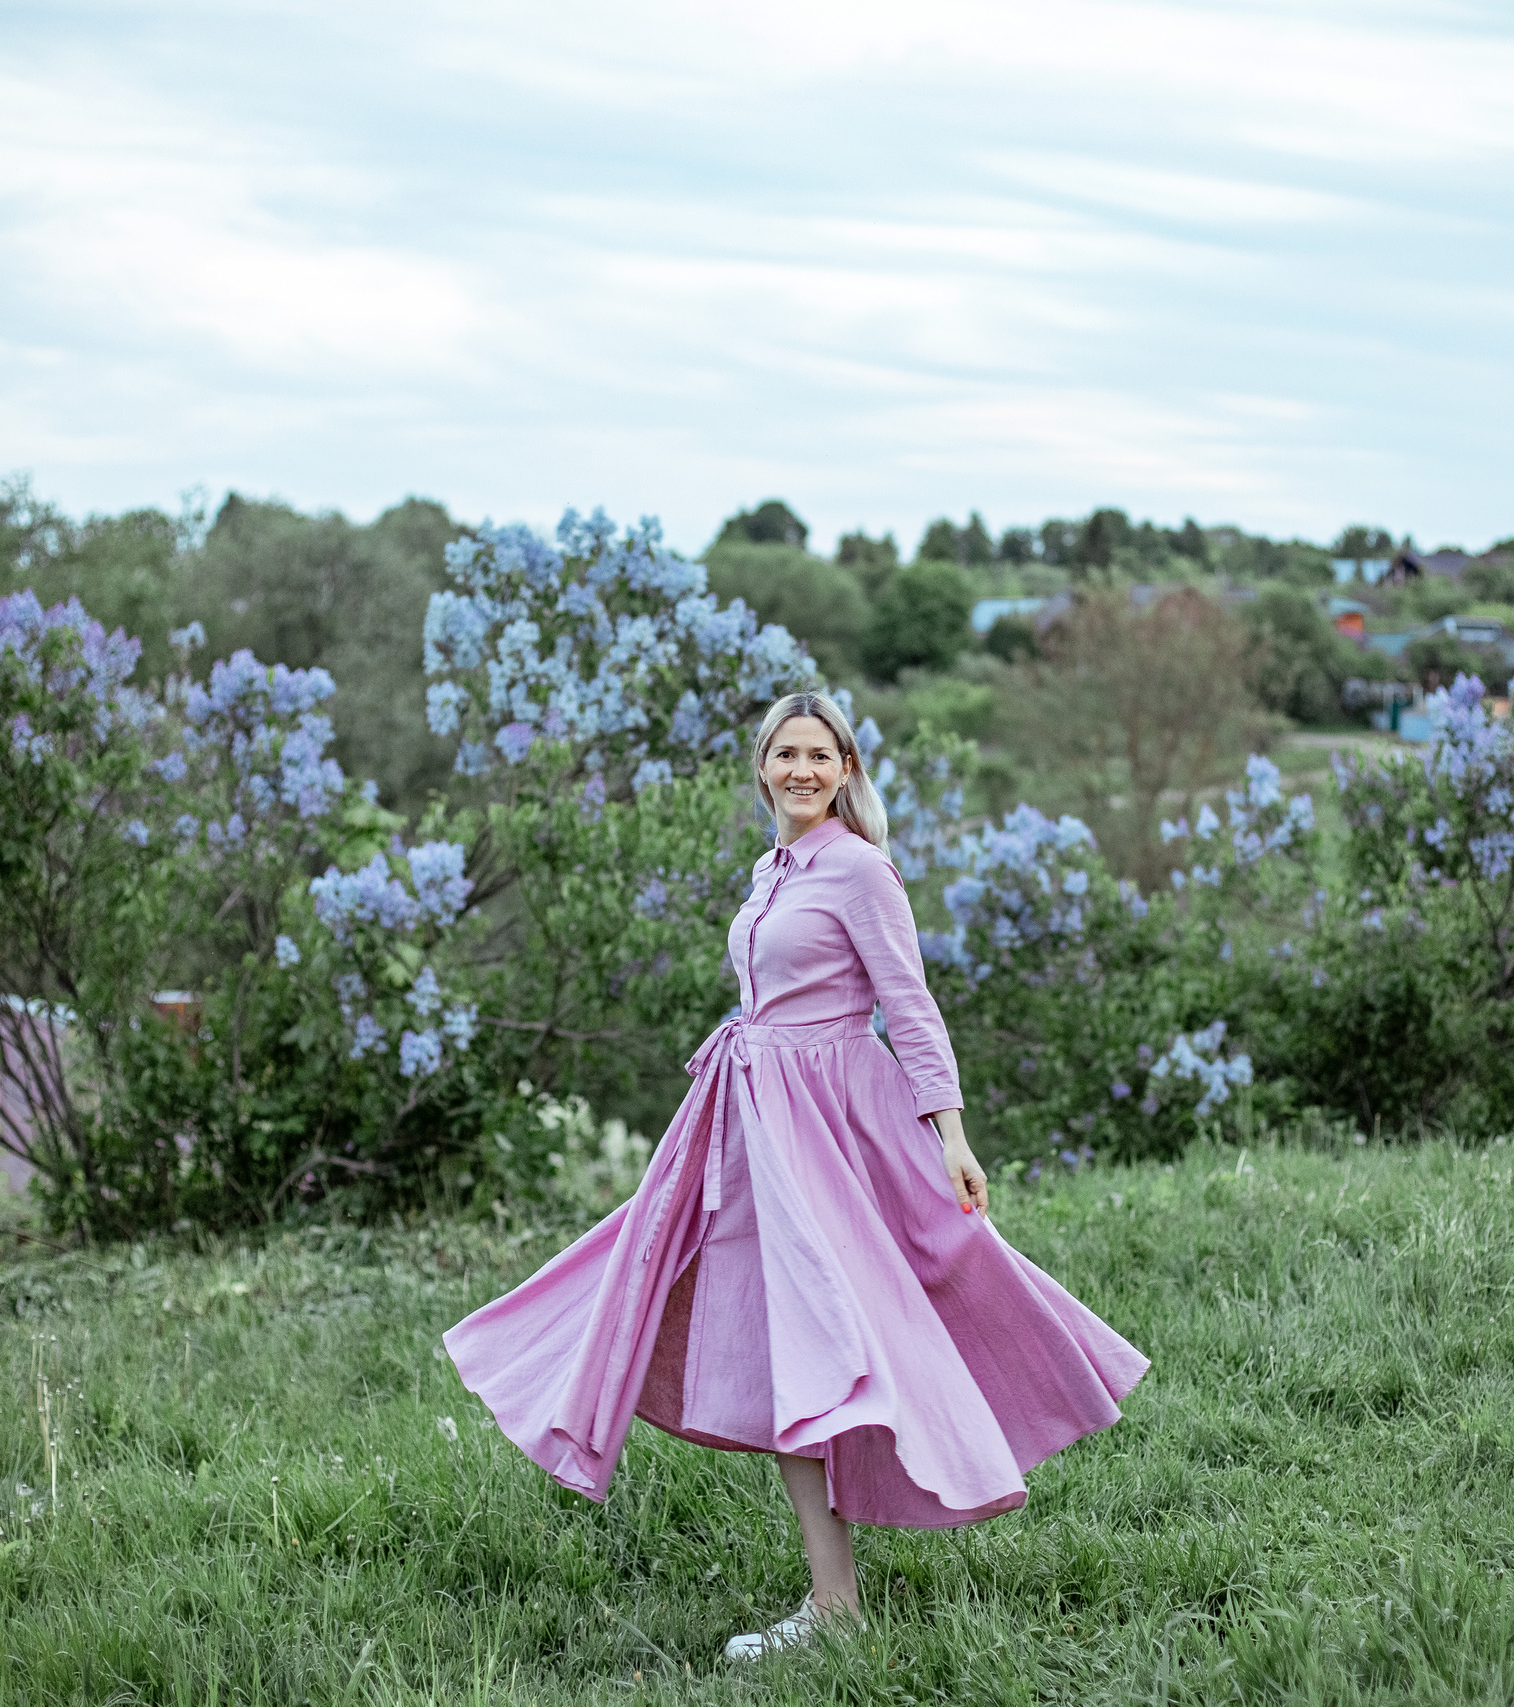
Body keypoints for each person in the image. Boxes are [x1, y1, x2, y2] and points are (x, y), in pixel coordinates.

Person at [443, 691, 1148, 1661]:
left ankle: (864, 1566)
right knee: (738, 1318)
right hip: (751, 1117)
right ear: (763, 766)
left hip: (835, 1123)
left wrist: (950, 1132)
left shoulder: (859, 869)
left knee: (869, 1318)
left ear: (846, 769)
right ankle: (832, 1601)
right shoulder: (770, 870)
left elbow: (909, 1004)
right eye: (787, 753)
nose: (803, 769)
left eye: (821, 754)